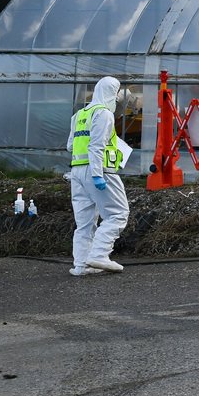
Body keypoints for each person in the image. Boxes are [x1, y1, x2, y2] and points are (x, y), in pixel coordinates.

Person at [67, 76, 130, 276]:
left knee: (84, 222)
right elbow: (96, 146)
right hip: (100, 170)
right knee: (118, 213)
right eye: (117, 91)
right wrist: (97, 175)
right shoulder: (103, 114)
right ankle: (100, 254)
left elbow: (70, 145)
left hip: (76, 171)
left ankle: (81, 265)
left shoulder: (80, 114)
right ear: (111, 92)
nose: (119, 97)